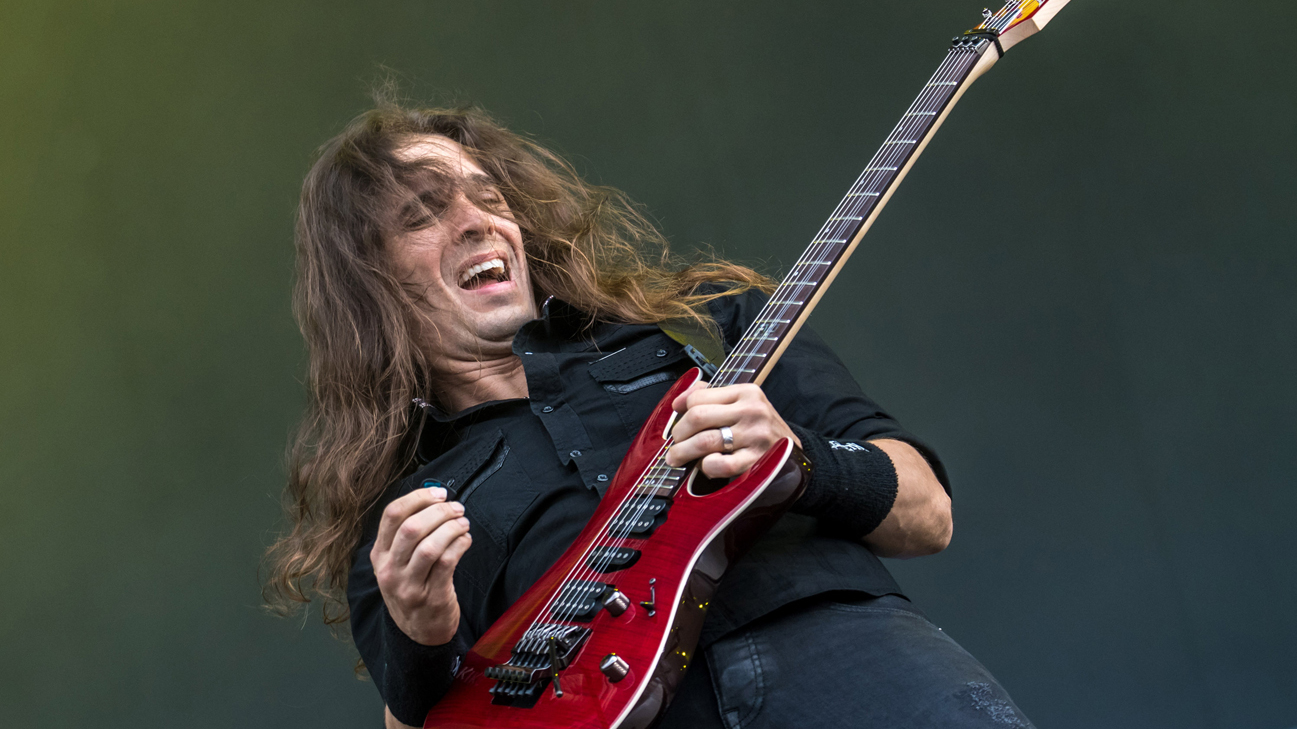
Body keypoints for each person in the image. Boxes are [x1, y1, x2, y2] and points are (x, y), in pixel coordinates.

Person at [265, 104, 1035, 729]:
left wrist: (797, 459)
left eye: (490, 197)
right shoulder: (401, 511)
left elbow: (927, 513)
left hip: (844, 657)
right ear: (371, 281)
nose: (478, 220)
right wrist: (419, 635)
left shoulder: (708, 326)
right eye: (425, 214)